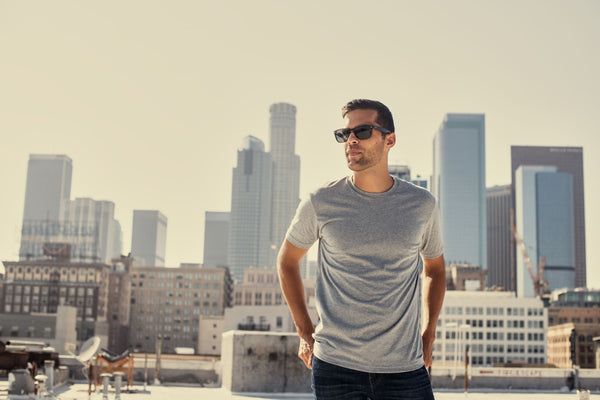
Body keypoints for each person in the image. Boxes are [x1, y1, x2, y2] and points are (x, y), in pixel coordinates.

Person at [277, 99, 446, 400]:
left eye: (363, 131)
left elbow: (435, 269)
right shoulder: (321, 201)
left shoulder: (422, 205)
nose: (351, 139)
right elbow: (287, 262)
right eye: (345, 134)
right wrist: (304, 332)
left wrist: (429, 334)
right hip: (335, 366)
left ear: (389, 139)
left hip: (405, 369)